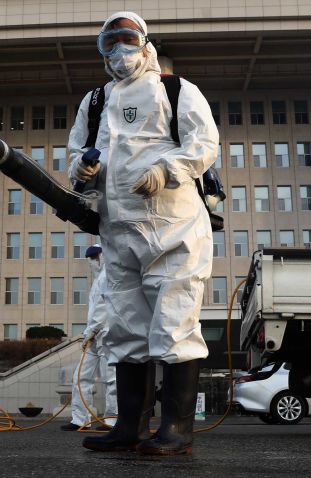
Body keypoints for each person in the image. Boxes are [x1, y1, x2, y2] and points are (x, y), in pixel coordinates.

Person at [67, 11, 218, 455]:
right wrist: (83, 169)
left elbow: (205, 143)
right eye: (108, 44)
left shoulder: (175, 89)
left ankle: (176, 429)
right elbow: (76, 154)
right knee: (126, 329)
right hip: (119, 232)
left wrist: (168, 169)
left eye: (125, 40)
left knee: (173, 325)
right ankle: (129, 426)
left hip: (174, 229)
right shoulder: (95, 101)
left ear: (145, 42)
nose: (118, 52)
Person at [61, 244, 118, 432]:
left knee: (111, 379)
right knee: (81, 377)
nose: (93, 260)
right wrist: (88, 333)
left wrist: (92, 330)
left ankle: (112, 420)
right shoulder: (97, 281)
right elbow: (94, 311)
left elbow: (103, 307)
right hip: (93, 335)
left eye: (95, 256)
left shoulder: (109, 275)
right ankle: (80, 419)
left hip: (107, 334)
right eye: (90, 257)